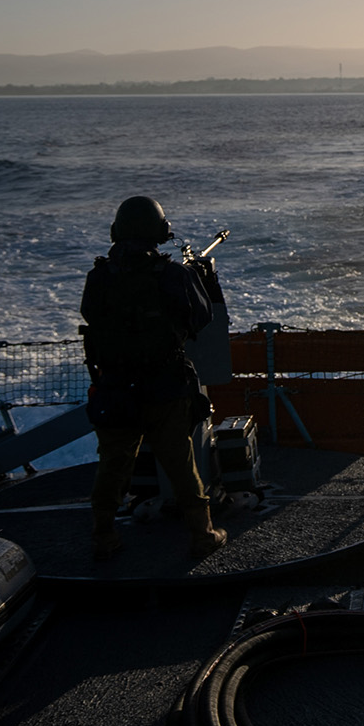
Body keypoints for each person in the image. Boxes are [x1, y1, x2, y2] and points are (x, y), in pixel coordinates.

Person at [80, 195, 227, 561]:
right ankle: (202, 534)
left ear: (116, 231)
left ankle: (103, 535)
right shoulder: (174, 275)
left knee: (113, 463)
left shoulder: (98, 277)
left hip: (114, 387)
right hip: (165, 385)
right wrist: (200, 278)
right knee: (180, 462)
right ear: (161, 232)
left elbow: (91, 316)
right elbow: (201, 318)